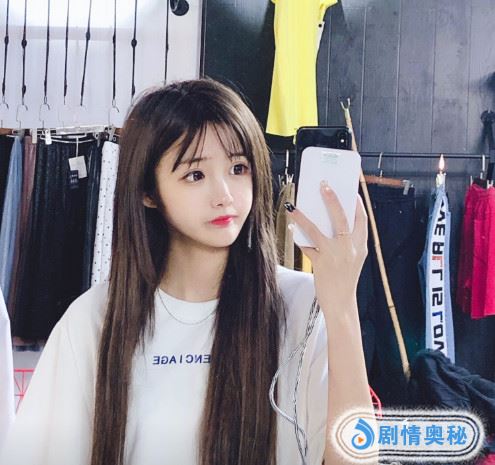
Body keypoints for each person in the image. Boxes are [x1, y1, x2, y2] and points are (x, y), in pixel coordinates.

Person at [0, 78, 373, 465]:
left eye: (238, 168)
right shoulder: (94, 320)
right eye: (195, 175)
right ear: (148, 191)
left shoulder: (304, 304)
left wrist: (342, 307)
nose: (224, 194)